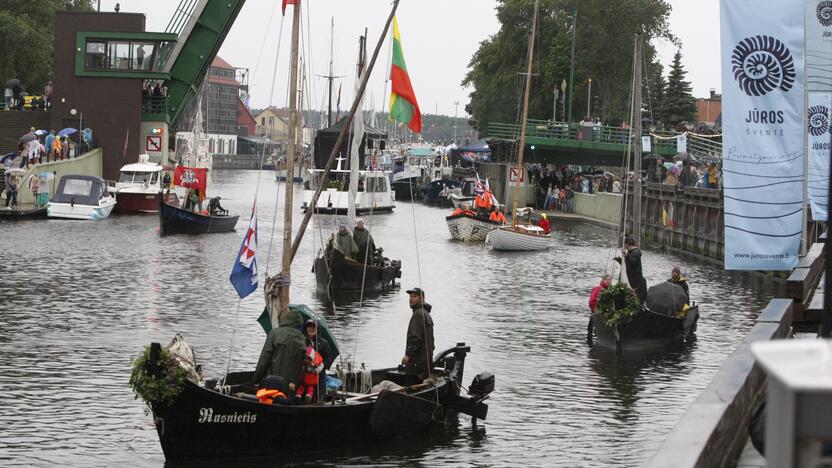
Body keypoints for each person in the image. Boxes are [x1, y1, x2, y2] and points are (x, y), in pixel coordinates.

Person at [252, 308, 307, 387]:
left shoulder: (274, 333)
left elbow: (264, 360)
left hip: (270, 382)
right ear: (300, 323)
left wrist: (255, 380)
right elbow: (300, 366)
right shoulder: (302, 338)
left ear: (285, 319)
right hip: (290, 386)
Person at [402, 287, 434, 381]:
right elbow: (432, 341)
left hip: (416, 362)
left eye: (414, 296)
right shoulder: (426, 314)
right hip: (426, 362)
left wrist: (408, 355)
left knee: (411, 387)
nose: (411, 299)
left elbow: (415, 338)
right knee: (421, 385)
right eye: (410, 296)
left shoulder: (418, 314)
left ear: (422, 299)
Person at [614, 237, 648, 303]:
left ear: (626, 244)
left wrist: (626, 254)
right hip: (630, 278)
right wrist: (620, 261)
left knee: (632, 295)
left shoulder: (635, 252)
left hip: (634, 281)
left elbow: (633, 263)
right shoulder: (630, 253)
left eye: (624, 245)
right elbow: (628, 266)